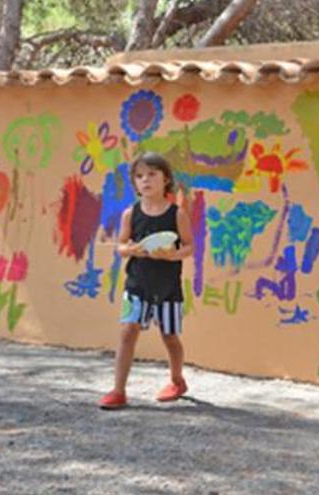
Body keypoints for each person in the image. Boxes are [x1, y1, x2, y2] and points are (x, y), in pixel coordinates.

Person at [98, 152, 195, 410]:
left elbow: (189, 247)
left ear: (166, 180)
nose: (146, 180)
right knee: (127, 332)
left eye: (152, 174)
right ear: (135, 184)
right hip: (137, 284)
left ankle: (177, 380)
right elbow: (121, 245)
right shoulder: (131, 214)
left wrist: (172, 255)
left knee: (170, 336)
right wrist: (131, 250)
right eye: (139, 176)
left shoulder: (177, 214)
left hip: (168, 287)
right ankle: (118, 390)